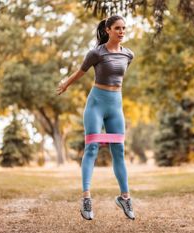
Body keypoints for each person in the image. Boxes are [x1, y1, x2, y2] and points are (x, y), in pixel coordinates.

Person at [56, 15, 135, 220]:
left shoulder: (128, 54)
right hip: (96, 105)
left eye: (124, 28)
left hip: (116, 106)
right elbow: (80, 72)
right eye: (117, 28)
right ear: (108, 29)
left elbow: (117, 77)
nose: (122, 31)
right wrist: (65, 84)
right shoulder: (96, 53)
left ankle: (125, 198)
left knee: (118, 150)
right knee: (91, 147)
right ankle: (86, 199)